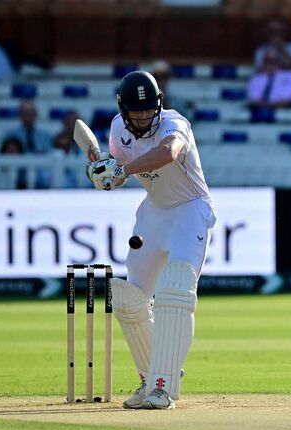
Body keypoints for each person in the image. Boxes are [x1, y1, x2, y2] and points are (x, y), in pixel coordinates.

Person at [85, 71, 216, 410]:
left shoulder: (175, 123)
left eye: (148, 110)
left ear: (158, 105)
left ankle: (164, 387)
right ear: (122, 109)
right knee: (131, 300)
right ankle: (152, 378)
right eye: (135, 112)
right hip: (154, 214)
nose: (143, 118)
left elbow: (168, 152)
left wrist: (122, 172)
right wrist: (106, 174)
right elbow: (119, 167)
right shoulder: (118, 129)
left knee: (176, 290)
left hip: (190, 210)